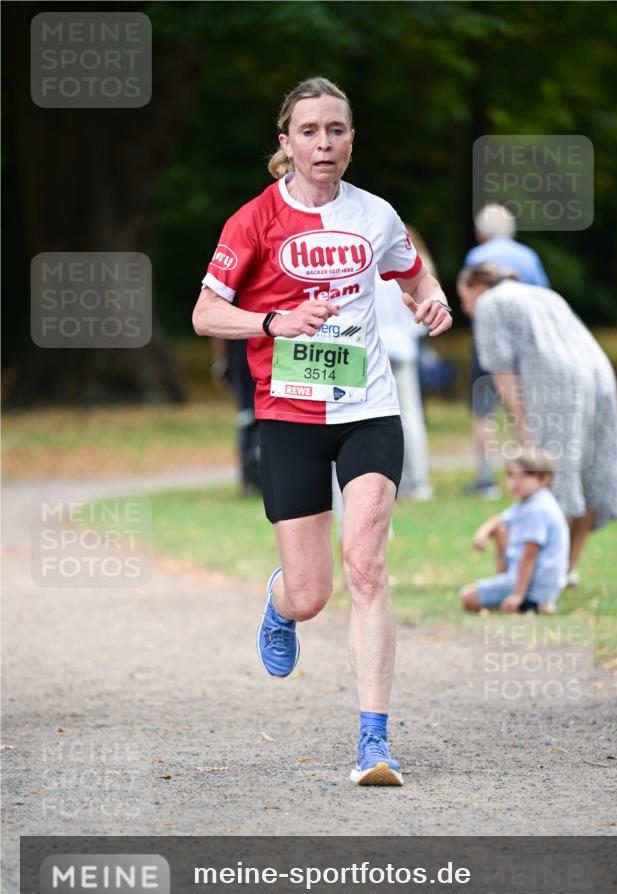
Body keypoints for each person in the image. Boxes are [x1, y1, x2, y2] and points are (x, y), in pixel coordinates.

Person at [192, 78, 453, 786]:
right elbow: (205, 316)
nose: (323, 143)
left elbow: (416, 277)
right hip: (288, 417)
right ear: (287, 143)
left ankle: (375, 743)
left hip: (367, 408)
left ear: (350, 139)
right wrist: (273, 323)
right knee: (314, 593)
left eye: (335, 129)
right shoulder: (253, 220)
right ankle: (282, 602)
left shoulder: (375, 215)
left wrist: (431, 306)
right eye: (308, 131)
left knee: (366, 566)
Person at [457, 263, 617, 583]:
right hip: (599, 373)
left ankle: (543, 576)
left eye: (465, 301)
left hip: (556, 382)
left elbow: (501, 369)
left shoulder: (490, 304)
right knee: (593, 474)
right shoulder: (543, 294)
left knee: (550, 481)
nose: (468, 310)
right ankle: (566, 568)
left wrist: (524, 423)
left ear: (478, 289)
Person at [463, 204, 550, 498]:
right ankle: (529, 474)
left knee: (483, 412)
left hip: (486, 341)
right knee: (521, 411)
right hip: (522, 346)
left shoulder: (477, 257)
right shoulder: (528, 256)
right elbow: (543, 299)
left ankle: (485, 479)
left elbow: (469, 298)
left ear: (482, 231)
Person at [460, 448, 569, 614]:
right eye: (511, 476)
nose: (516, 482)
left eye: (525, 476)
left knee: (467, 597)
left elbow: (530, 553)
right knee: (500, 529)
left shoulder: (537, 510)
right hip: (533, 582)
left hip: (534, 584)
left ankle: (526, 602)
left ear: (545, 479)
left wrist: (517, 594)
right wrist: (482, 532)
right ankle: (521, 597)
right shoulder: (530, 501)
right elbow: (501, 520)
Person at [373, 226, 435, 501]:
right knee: (410, 416)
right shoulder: (412, 271)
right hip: (404, 346)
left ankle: (387, 479)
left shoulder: (369, 269)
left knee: (376, 418)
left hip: (374, 349)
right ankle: (419, 481)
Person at [210, 339, 261, 494]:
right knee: (251, 417)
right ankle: (254, 476)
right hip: (256, 355)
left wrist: (220, 361)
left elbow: (218, 332)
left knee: (247, 417)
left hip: (242, 356)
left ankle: (250, 478)